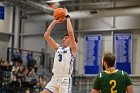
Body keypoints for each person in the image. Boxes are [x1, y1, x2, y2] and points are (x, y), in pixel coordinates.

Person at [42, 8, 78, 93]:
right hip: (54, 79)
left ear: (73, 41)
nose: (63, 39)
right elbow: (46, 35)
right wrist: (55, 21)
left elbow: (70, 32)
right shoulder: (58, 48)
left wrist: (67, 16)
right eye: (63, 37)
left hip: (65, 80)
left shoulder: (73, 49)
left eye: (66, 38)